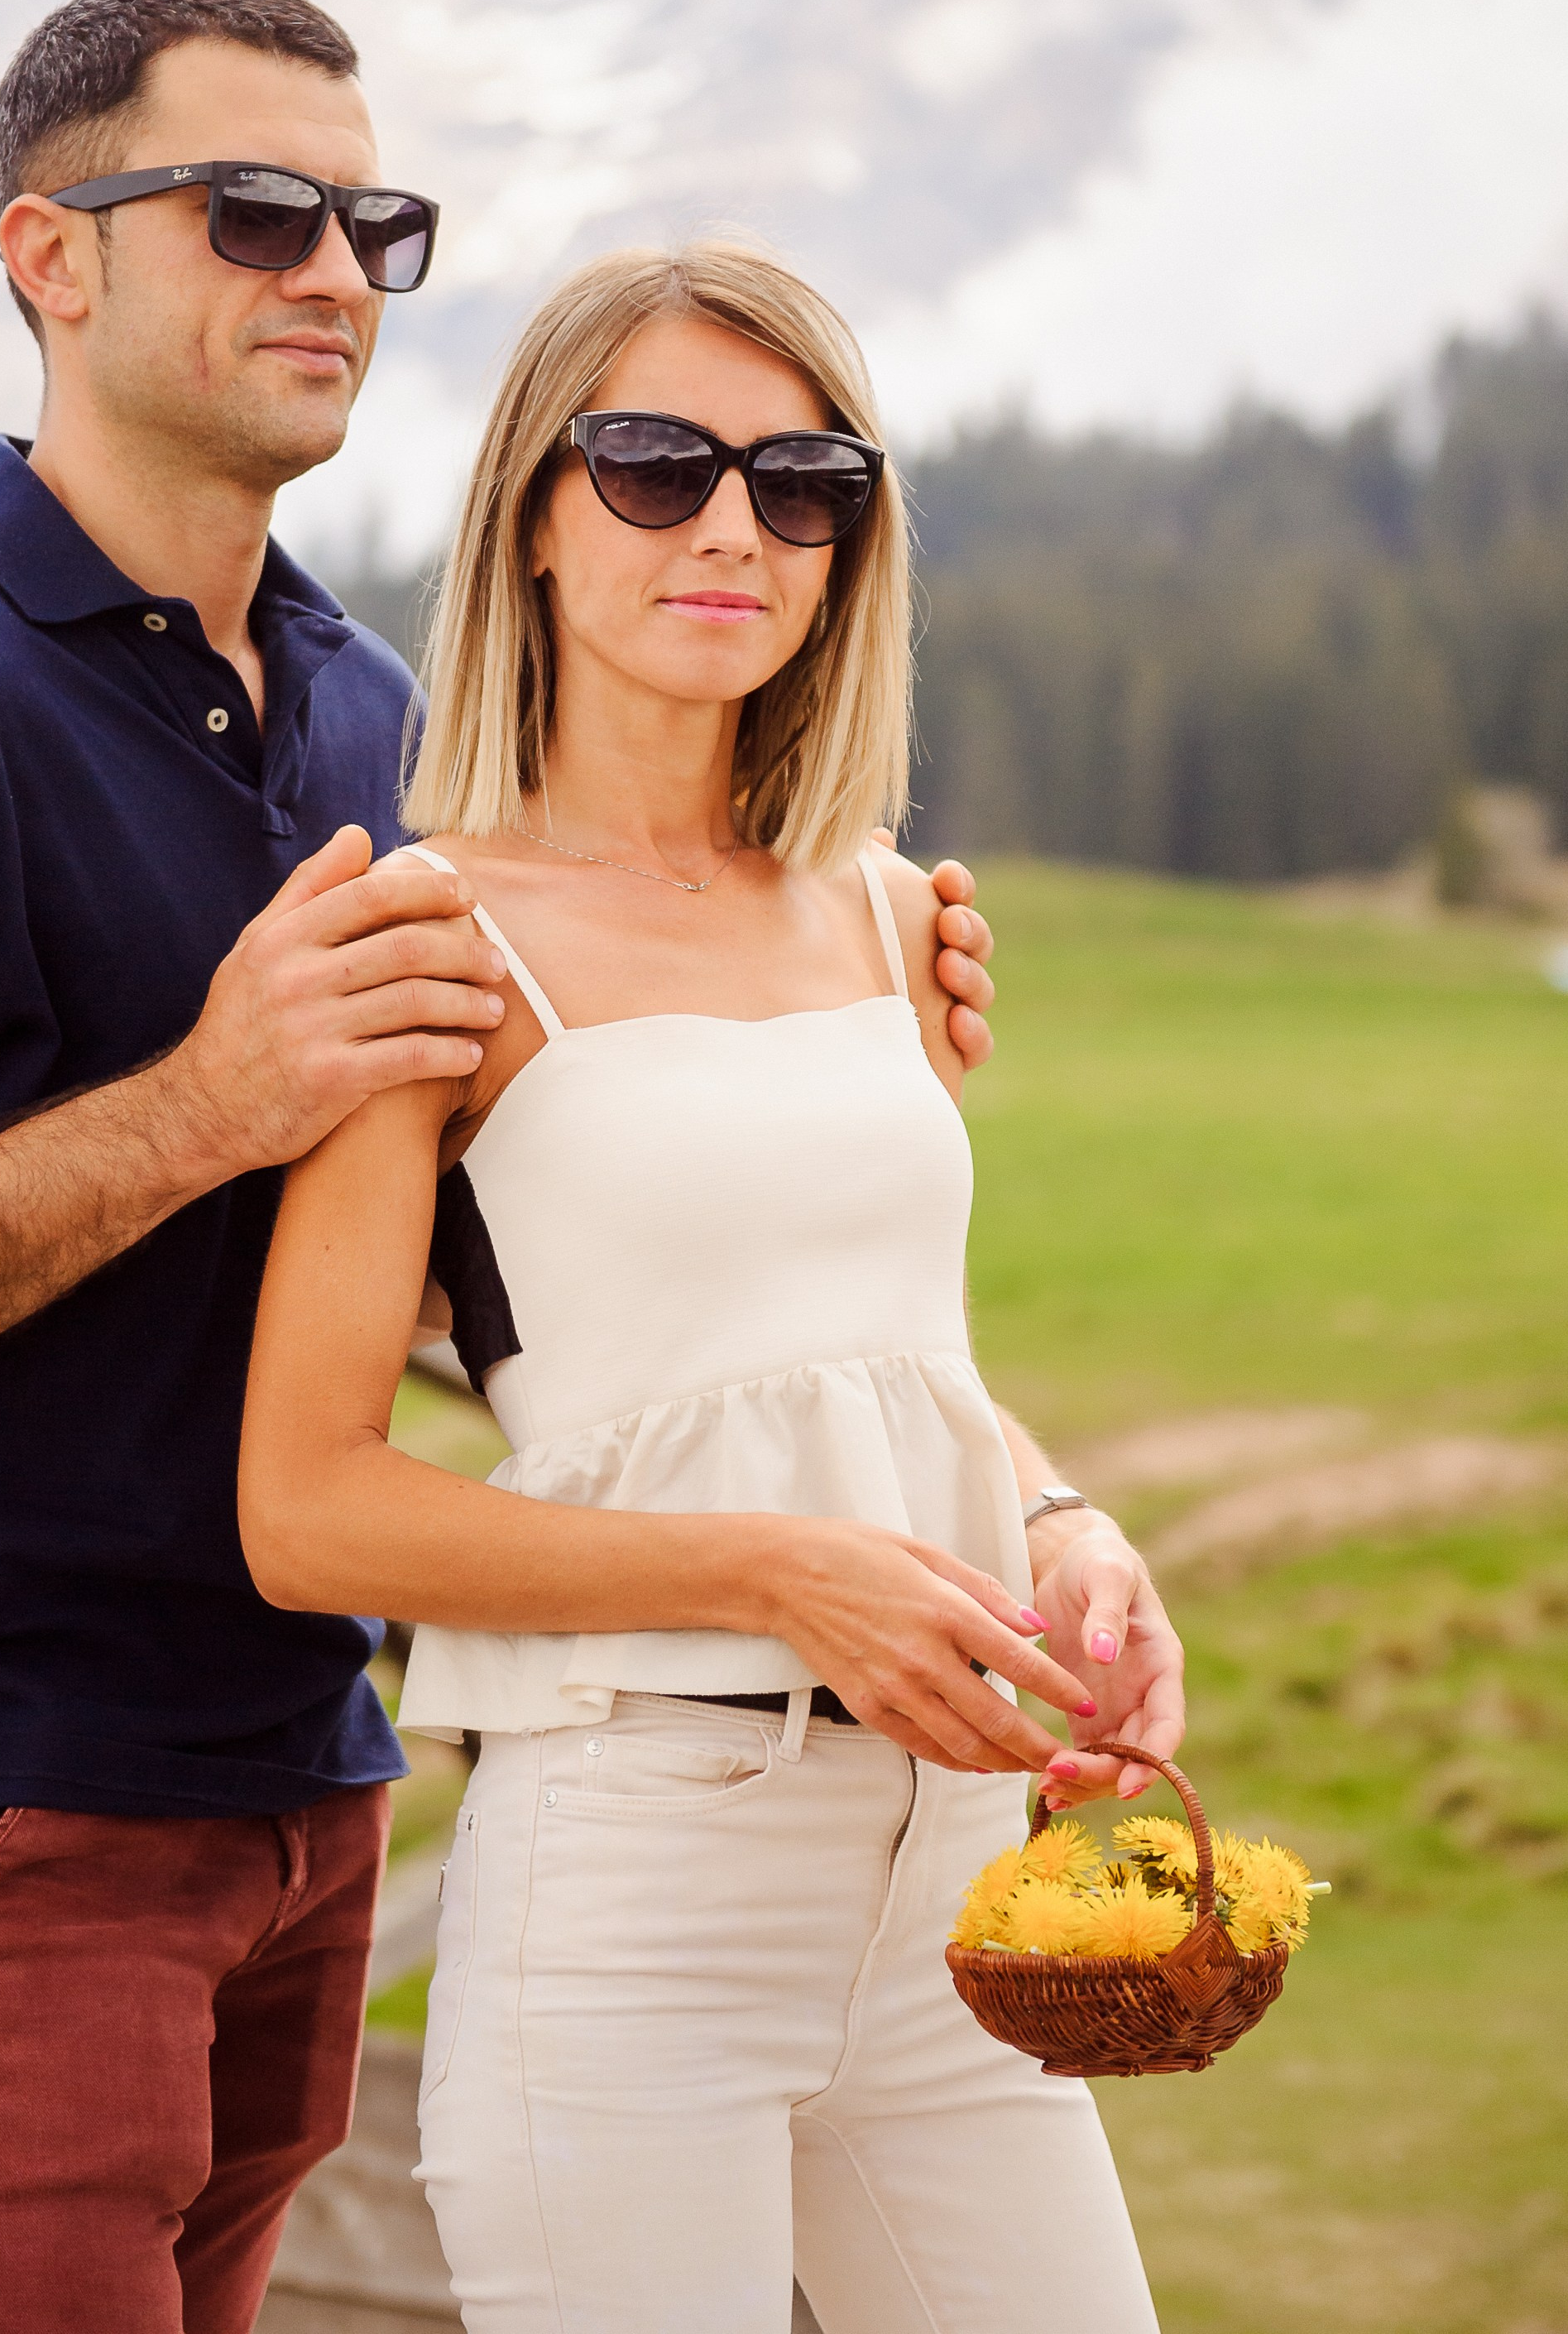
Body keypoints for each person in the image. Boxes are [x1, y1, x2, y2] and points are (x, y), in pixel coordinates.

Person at [0, 0, 1000, 2334]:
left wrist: (805, 1062)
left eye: (372, 219)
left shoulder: (372, 717)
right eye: (252, 209)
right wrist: (196, 1108)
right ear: (49, 258)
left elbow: (494, 1256)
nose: (332, 269)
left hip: (306, 1786)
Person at [239, 241, 1183, 2333]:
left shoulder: (883, 908)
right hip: (637, 1878)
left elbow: (868, 1360)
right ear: (538, 514)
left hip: (953, 1876)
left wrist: (1058, 1520)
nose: (735, 525)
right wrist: (778, 1576)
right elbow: (304, 1505)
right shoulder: (430, 935)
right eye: (658, 464)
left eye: (804, 476)